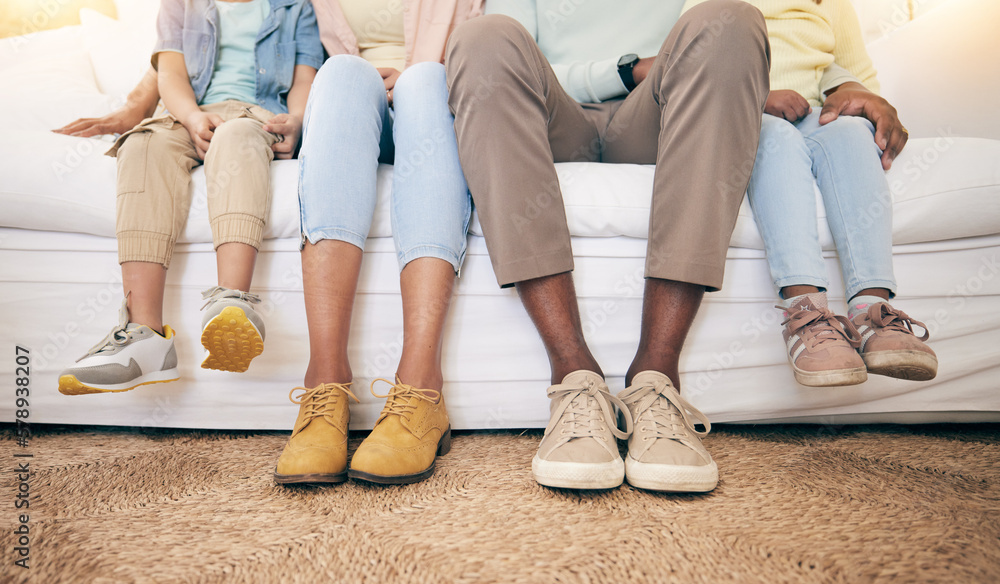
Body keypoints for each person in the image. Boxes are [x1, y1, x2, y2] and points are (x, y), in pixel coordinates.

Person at [444, 0, 772, 493]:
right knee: (482, 38)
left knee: (732, 20)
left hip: (653, 120)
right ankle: (574, 375)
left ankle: (655, 379)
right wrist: (627, 70)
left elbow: (703, 61)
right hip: (557, 118)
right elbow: (522, 68)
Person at [56, 0, 323, 396]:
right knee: (142, 145)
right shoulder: (181, 4)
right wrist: (193, 118)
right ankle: (144, 336)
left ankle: (232, 302)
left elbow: (304, 79)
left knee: (236, 137)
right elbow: (172, 75)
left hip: (254, 115)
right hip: (185, 115)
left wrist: (296, 120)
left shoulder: (294, 7)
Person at [272, 0, 481, 486]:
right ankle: (325, 388)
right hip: (353, 112)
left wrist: (407, 81)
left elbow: (478, 53)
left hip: (431, 111)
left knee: (428, 79)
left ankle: (420, 389)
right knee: (343, 71)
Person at [681, 0, 936, 387]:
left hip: (816, 113)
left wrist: (854, 94)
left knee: (852, 131)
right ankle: (807, 315)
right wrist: (757, 98)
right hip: (747, 110)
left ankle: (873, 312)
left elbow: (857, 75)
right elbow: (693, 64)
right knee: (776, 138)